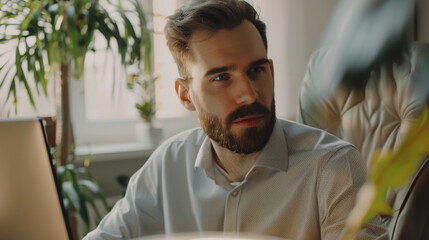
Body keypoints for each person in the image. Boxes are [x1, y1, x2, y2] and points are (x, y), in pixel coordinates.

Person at [83, 0, 388, 239]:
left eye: (256, 70)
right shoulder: (168, 164)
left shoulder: (334, 168)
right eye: (221, 77)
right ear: (186, 95)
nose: (248, 94)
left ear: (271, 70)